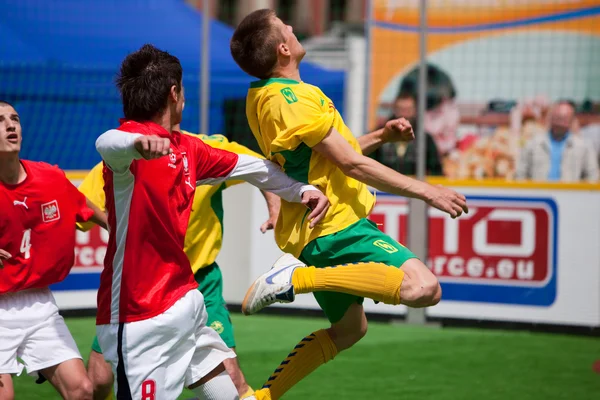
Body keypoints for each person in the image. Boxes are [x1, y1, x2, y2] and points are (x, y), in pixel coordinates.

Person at [230, 10, 469, 399]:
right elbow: (351, 163)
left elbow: (329, 155)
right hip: (335, 226)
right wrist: (428, 191)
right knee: (423, 288)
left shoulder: (270, 96)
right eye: (285, 26)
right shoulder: (291, 98)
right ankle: (296, 279)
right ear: (284, 48)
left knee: (349, 330)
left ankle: (261, 397)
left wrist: (380, 135)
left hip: (316, 229)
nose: (293, 26)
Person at [94, 44, 329, 400]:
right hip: (141, 317)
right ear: (175, 94)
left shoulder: (188, 148)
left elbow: (256, 169)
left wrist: (301, 191)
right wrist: (136, 143)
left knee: (232, 390)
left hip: (185, 302)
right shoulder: (127, 153)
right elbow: (107, 142)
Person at [81, 128, 281, 400]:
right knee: (98, 380)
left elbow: (260, 168)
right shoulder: (122, 153)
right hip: (141, 287)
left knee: (231, 378)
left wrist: (276, 207)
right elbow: (81, 205)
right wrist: (113, 222)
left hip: (199, 283)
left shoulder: (206, 146)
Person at [0, 101, 107, 400]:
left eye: (15, 119)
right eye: (1, 120)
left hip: (38, 305)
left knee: (82, 390)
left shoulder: (49, 177)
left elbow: (84, 207)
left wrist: (120, 228)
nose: (11, 125)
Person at [516, 101, 599, 182]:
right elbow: (520, 173)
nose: (560, 123)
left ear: (571, 121)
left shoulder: (583, 146)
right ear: (551, 118)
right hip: (539, 194)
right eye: (558, 118)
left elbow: (592, 176)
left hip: (570, 194)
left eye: (564, 119)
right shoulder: (533, 143)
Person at [373, 92, 444, 176]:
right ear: (395, 110)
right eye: (401, 110)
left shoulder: (425, 139)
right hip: (382, 186)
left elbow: (435, 171)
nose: (404, 115)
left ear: (414, 111)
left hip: (414, 187)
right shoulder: (381, 136)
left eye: (408, 110)